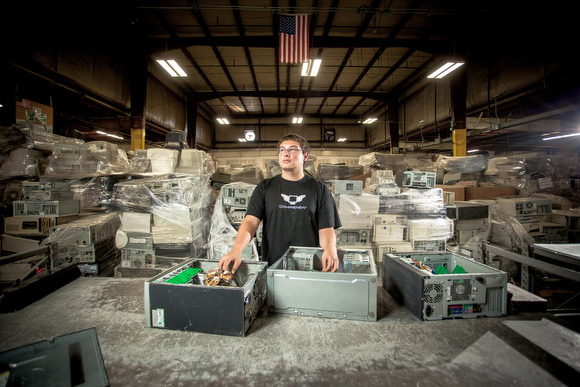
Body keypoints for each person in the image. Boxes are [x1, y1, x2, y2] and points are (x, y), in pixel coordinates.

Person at [218, 133, 342, 273]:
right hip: (274, 264)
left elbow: (326, 228)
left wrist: (330, 249)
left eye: (293, 149)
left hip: (309, 264)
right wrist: (236, 250)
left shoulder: (319, 189)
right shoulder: (265, 187)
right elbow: (251, 222)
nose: (286, 153)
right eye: (282, 150)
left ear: (305, 156)